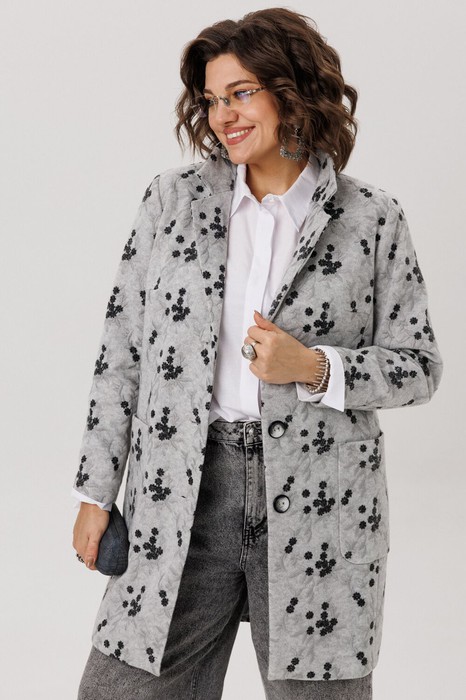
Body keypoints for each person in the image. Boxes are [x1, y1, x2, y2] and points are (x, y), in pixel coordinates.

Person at [72, 7, 443, 699]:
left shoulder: (371, 218)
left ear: (292, 90)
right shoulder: (173, 202)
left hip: (322, 502)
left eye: (241, 93)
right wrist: (97, 492)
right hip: (184, 493)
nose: (223, 115)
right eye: (212, 99)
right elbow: (121, 347)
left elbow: (418, 366)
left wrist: (315, 367)